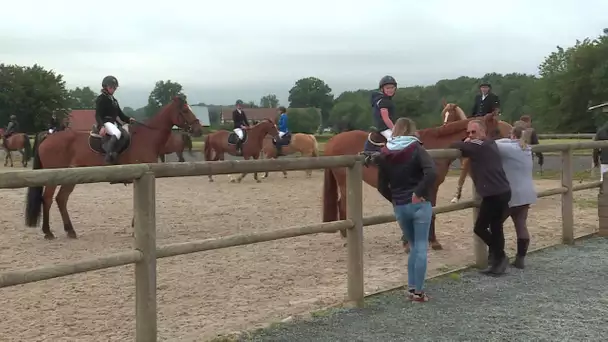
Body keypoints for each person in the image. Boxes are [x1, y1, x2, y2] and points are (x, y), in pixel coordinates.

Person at [373, 117, 436, 302]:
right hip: (419, 204)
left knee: (413, 246)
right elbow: (431, 171)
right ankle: (419, 291)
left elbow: (381, 186)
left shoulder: (385, 153)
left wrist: (394, 200)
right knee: (421, 247)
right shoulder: (416, 148)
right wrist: (419, 192)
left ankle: (411, 288)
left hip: (400, 206)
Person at [450, 120, 511, 275]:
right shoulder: (489, 144)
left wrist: (464, 141)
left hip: (494, 194)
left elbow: (455, 145)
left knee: (480, 228)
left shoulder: (480, 145)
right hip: (502, 191)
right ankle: (497, 262)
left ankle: (500, 256)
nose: (470, 136)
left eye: (473, 132)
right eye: (468, 133)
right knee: (496, 228)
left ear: (483, 132)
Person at [495, 125, 537, 269]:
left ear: (512, 135)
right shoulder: (527, 148)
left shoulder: (509, 149)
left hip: (511, 194)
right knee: (521, 225)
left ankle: (497, 257)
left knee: (495, 224)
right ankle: (520, 259)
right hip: (526, 193)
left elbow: (492, 144)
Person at [95, 75, 136, 164]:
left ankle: (115, 153)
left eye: (114, 88)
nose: (113, 89)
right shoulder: (101, 99)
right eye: (111, 87)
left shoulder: (114, 100)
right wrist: (102, 126)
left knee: (126, 135)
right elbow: (98, 115)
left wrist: (129, 119)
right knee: (117, 133)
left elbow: (120, 114)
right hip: (105, 123)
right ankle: (108, 156)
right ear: (105, 87)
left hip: (114, 123)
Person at [371, 75, 397, 141]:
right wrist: (394, 129)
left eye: (392, 87)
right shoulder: (383, 101)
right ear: (382, 89)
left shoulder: (386, 100)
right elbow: (386, 118)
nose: (390, 90)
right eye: (388, 88)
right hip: (384, 129)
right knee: (396, 141)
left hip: (387, 127)